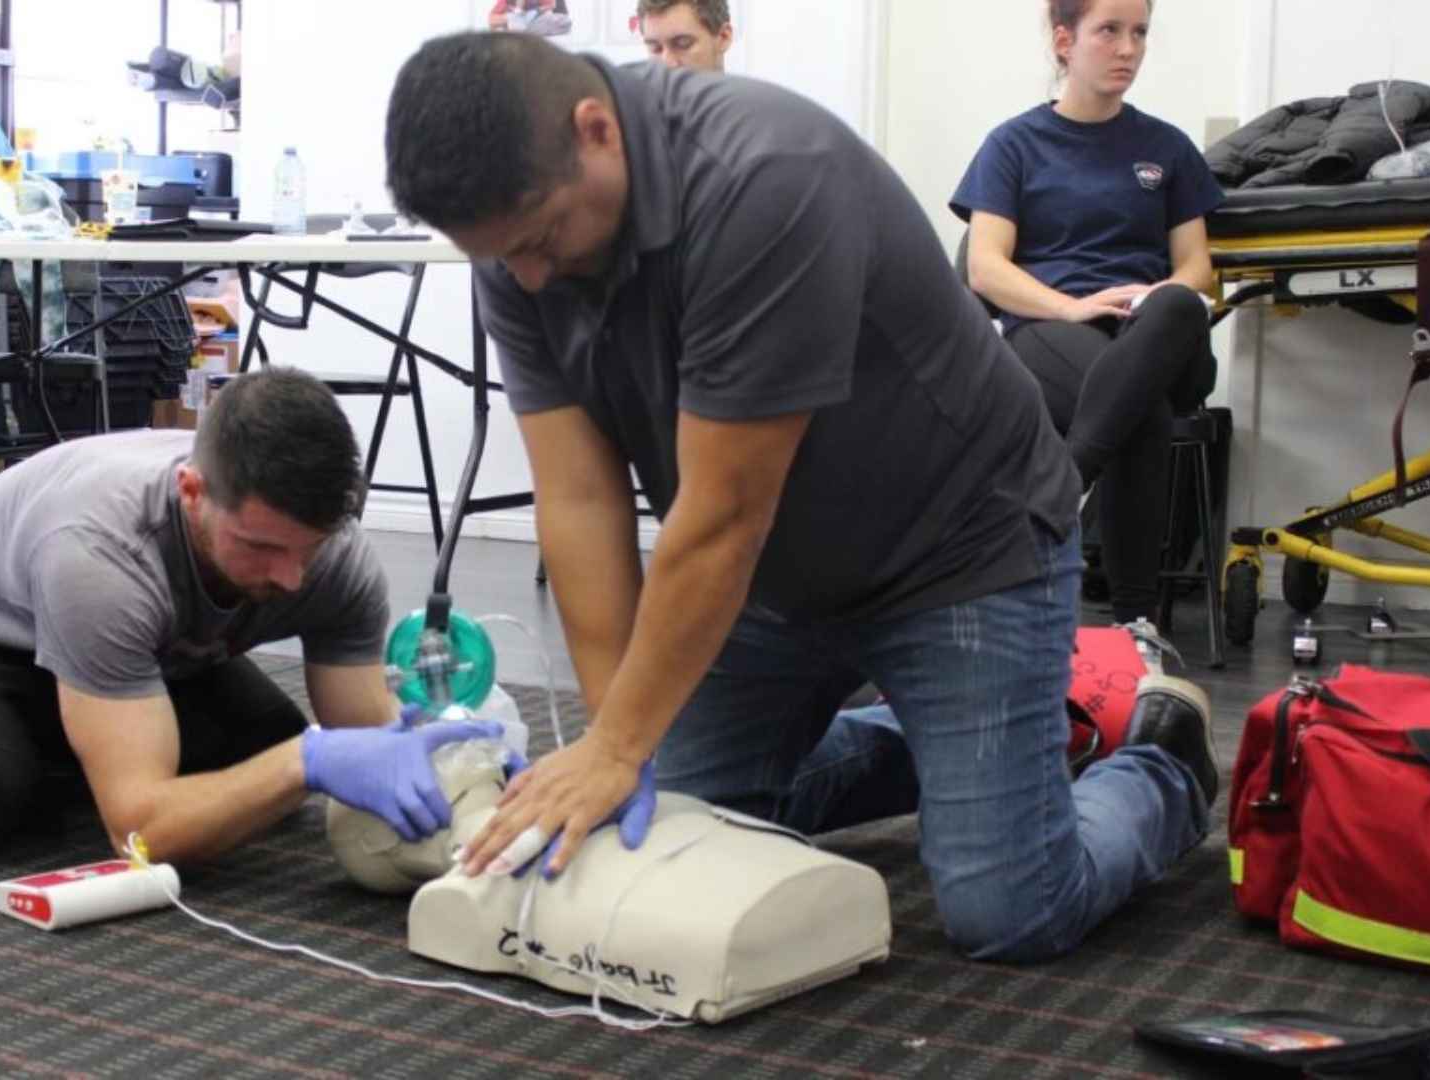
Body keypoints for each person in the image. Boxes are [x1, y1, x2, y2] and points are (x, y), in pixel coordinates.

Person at [383, 31, 1217, 962]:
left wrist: (618, 748)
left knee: (1010, 913)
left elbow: (725, 516)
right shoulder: (520, 242)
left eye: (537, 243)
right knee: (669, 835)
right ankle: (971, 745)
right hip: (775, 578)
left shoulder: (761, 177)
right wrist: (613, 740)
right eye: (502, 258)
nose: (528, 277)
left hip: (961, 550)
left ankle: (1161, 757)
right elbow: (579, 499)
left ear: (594, 131)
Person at [0, 369, 498, 861]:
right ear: (191, 491)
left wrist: (467, 769)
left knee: (263, 757)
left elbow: (367, 734)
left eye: (309, 549)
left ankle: (73, 728)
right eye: (261, 547)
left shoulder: (333, 556)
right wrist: (310, 760)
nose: (291, 576)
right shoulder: (101, 553)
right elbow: (139, 836)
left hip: (137, 645)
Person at [951, 0, 1222, 626]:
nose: (1128, 49)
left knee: (1179, 302)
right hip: (1053, 331)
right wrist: (1072, 309)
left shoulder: (1167, 147)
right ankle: (1136, 624)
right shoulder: (1013, 144)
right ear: (1065, 40)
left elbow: (1196, 266)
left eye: (1140, 33)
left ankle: (1056, 494)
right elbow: (985, 268)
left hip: (1153, 331)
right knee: (1142, 412)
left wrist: (1150, 297)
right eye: (1110, 31)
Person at [636, 0, 732, 72]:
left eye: (683, 44)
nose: (667, 63)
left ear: (723, 37)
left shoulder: (744, 97)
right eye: (655, 48)